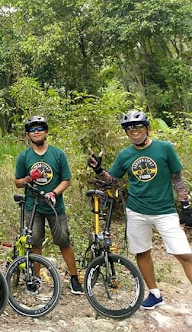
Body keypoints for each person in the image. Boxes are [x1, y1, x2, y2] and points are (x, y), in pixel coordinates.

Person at [87, 110, 192, 309]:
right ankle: (154, 294)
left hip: (165, 211)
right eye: (129, 128)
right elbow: (113, 182)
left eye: (138, 127)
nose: (134, 131)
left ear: (147, 128)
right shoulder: (125, 154)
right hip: (136, 211)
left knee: (184, 254)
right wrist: (99, 170)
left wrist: (185, 205)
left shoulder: (165, 148)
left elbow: (177, 178)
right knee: (142, 252)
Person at [13, 116, 84, 295]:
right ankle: (36, 278)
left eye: (39, 129)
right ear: (28, 135)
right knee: (35, 241)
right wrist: (30, 178)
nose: (36, 132)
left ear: (45, 131)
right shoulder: (24, 156)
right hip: (33, 206)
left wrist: (54, 193)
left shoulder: (57, 154)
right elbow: (17, 182)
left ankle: (74, 277)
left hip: (55, 206)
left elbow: (66, 180)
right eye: (32, 130)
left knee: (63, 240)